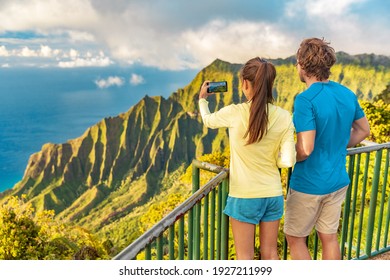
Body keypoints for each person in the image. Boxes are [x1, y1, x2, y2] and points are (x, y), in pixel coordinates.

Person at [198, 57, 296, 260]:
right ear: (270, 84)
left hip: (244, 196)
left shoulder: (234, 112)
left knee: (245, 259)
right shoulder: (285, 116)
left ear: (245, 84)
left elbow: (208, 120)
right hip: (273, 195)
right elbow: (288, 161)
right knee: (270, 253)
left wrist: (202, 98)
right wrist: (272, 160)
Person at [284, 38, 371, 260]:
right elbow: (363, 130)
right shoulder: (346, 93)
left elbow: (306, 148)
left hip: (309, 184)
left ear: (302, 65)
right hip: (338, 180)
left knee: (295, 238)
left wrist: (284, 156)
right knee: (329, 237)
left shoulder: (305, 100)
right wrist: (338, 144)